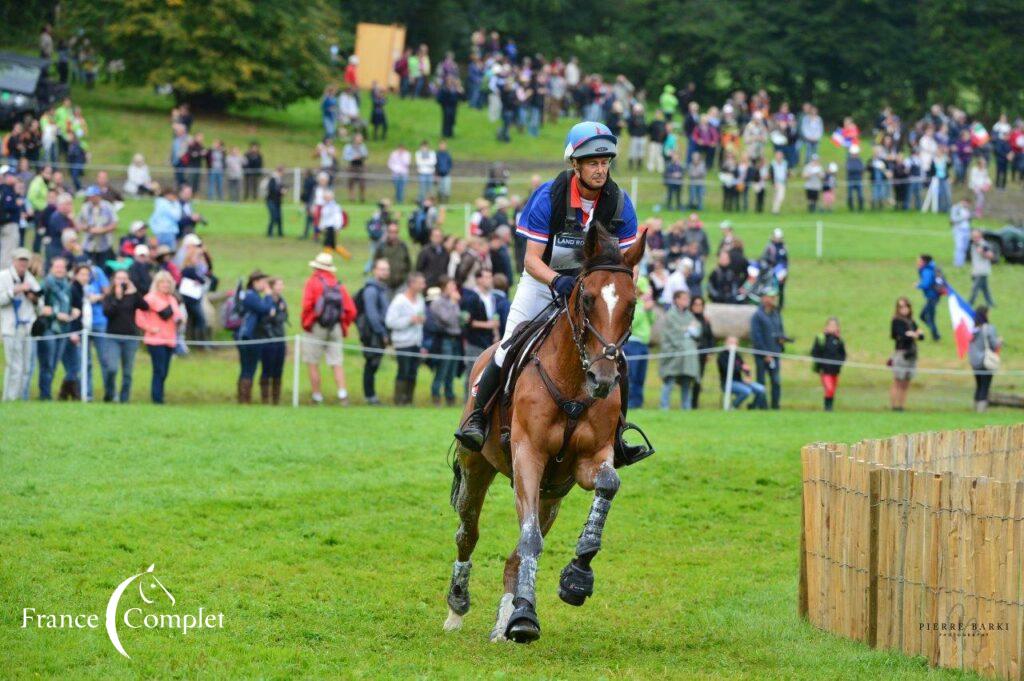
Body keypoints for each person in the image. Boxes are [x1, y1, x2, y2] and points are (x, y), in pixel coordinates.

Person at [455, 121, 650, 466]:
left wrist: (619, 290)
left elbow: (627, 263)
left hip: (592, 292)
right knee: (507, 346)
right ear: (575, 164)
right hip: (544, 282)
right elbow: (531, 260)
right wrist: (557, 282)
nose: (600, 169)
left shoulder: (620, 204)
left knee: (617, 359)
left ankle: (618, 437)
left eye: (605, 162)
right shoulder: (549, 197)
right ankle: (477, 418)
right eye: (592, 162)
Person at [301, 253, 356, 405]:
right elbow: (351, 310)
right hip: (336, 327)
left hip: (317, 326)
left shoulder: (312, 282)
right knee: (336, 362)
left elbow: (307, 305)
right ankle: (342, 395)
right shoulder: (338, 284)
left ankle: (317, 396)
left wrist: (307, 323)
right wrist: (343, 325)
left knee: (313, 362)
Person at [135, 270, 182, 404]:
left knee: (165, 371)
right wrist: (150, 328)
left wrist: (180, 319)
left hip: (170, 339)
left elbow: (177, 315)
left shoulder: (172, 299)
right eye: (163, 282)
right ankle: (157, 399)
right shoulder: (150, 298)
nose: (166, 285)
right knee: (159, 369)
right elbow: (139, 316)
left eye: (168, 282)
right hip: (155, 340)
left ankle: (160, 395)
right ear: (157, 284)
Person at [0, 248, 41, 400]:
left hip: (27, 326)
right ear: (14, 261)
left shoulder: (30, 278)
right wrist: (14, 291)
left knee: (26, 367)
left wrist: (34, 299)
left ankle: (21, 398)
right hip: (10, 327)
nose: (23, 263)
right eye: (20, 260)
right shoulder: (3, 277)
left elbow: (40, 301)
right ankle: (9, 398)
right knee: (14, 366)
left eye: (25, 261)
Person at [101, 269, 147, 403]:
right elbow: (108, 313)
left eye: (124, 278)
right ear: (114, 280)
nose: (121, 281)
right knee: (112, 369)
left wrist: (136, 293)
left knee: (127, 372)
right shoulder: (109, 296)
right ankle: (109, 394)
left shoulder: (133, 296)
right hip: (113, 337)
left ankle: (124, 399)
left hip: (130, 338)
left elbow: (145, 307)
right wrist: (118, 298)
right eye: (119, 278)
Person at [386, 271, 427, 405]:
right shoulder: (399, 300)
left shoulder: (420, 299)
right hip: (402, 342)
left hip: (416, 341)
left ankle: (409, 399)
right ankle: (399, 400)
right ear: (412, 284)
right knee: (403, 371)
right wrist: (409, 320)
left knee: (413, 372)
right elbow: (390, 321)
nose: (423, 285)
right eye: (420, 283)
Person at [234, 270, 275, 404]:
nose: (264, 285)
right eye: (263, 282)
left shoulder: (251, 295)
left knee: (247, 368)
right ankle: (245, 400)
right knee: (248, 368)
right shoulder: (251, 296)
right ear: (255, 282)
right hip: (249, 337)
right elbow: (265, 309)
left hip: (249, 336)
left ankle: (243, 398)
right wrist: (269, 296)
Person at [356, 258, 391, 404]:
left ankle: (371, 395)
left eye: (386, 269)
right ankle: (369, 396)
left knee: (374, 364)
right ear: (374, 270)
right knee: (371, 364)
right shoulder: (371, 290)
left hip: (377, 331)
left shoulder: (382, 288)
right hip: (372, 333)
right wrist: (382, 332)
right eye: (382, 269)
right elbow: (372, 314)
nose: (385, 272)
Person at [659, 289, 701, 409]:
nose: (686, 301)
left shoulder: (689, 315)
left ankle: (686, 408)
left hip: (688, 356)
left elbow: (697, 329)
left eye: (687, 299)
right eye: (684, 299)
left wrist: (687, 330)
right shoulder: (670, 315)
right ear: (676, 300)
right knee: (669, 381)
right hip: (674, 355)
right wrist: (687, 330)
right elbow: (673, 333)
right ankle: (664, 407)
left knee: (687, 382)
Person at [750, 288, 787, 409]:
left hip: (775, 354)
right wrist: (765, 354)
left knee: (776, 381)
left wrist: (782, 341)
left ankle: (775, 405)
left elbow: (780, 330)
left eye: (774, 297)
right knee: (761, 381)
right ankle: (762, 406)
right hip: (761, 356)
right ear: (763, 298)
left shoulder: (776, 314)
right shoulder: (757, 316)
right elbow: (756, 337)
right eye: (770, 297)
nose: (773, 299)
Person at [428, 276, 462, 406]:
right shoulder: (437, 303)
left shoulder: (454, 301)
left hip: (455, 340)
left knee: (452, 372)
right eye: (451, 286)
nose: (454, 288)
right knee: (442, 370)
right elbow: (447, 319)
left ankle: (450, 398)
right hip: (444, 340)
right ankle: (436, 397)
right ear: (444, 287)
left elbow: (459, 320)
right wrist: (454, 303)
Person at [622, 276, 655, 409]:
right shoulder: (632, 304)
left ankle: (638, 402)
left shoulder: (643, 304)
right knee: (632, 375)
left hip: (643, 344)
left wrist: (649, 310)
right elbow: (632, 324)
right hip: (632, 343)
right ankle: (629, 403)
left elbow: (651, 321)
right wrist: (644, 309)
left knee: (640, 376)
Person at [889, 296, 922, 411]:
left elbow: (920, 335)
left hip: (911, 354)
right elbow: (895, 335)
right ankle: (894, 406)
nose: (903, 309)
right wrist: (909, 334)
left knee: (906, 381)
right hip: (901, 353)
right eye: (900, 306)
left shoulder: (912, 321)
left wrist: (913, 334)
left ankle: (902, 406)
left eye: (905, 306)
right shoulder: (896, 321)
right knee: (898, 380)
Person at [259, 277, 288, 405]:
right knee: (267, 369)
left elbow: (282, 317)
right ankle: (265, 399)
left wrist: (276, 314)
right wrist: (276, 314)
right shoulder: (266, 300)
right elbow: (265, 319)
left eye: (282, 284)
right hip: (268, 339)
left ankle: (276, 400)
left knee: (278, 369)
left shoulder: (282, 301)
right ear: (271, 286)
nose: (281, 287)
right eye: (278, 284)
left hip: (280, 337)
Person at [717, 336, 767, 409]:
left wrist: (748, 376)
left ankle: (752, 407)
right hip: (728, 383)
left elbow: (746, 368)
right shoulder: (722, 356)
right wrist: (740, 367)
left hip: (740, 381)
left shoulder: (737, 356)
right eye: (730, 342)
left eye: (735, 343)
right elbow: (728, 370)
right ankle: (733, 407)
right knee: (747, 391)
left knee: (761, 389)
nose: (732, 345)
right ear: (725, 343)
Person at [968, 306, 1001, 413]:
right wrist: (1000, 341)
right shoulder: (989, 328)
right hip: (986, 361)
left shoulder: (972, 329)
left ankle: (976, 406)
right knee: (985, 386)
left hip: (974, 361)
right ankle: (981, 410)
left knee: (978, 384)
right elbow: (994, 344)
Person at [810, 317, 846, 411]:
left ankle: (830, 407)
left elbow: (843, 354)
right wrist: (820, 364)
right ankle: (827, 408)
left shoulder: (839, 340)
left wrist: (839, 364)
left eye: (834, 325)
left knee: (832, 390)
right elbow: (815, 352)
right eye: (830, 325)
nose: (832, 327)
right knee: (829, 388)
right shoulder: (821, 338)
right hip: (825, 370)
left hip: (835, 370)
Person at [374, 222, 411, 289]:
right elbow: (375, 263)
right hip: (385, 285)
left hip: (401, 285)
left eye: (395, 232)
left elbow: (408, 265)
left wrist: (406, 278)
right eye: (391, 232)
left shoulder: (403, 246)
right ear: (387, 232)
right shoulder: (381, 246)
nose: (393, 234)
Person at [915, 254, 942, 341]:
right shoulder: (929, 269)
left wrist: (918, 285)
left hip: (932, 297)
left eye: (919, 261)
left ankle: (936, 336)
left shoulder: (926, 270)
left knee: (929, 317)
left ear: (924, 262)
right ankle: (935, 333)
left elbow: (926, 284)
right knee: (923, 316)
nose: (917, 262)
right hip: (932, 296)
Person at [968, 229, 996, 308]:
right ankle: (991, 303)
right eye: (973, 237)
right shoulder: (974, 245)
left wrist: (983, 252)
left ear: (980, 237)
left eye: (976, 237)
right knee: (985, 289)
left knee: (975, 288)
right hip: (976, 270)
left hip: (982, 271)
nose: (974, 239)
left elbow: (991, 256)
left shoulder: (983, 245)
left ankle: (969, 303)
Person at [342, 133, 368, 203]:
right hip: (352, 165)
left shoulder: (363, 146)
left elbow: (366, 155)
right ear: (354, 139)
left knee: (362, 182)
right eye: (359, 138)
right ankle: (351, 197)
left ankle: (362, 197)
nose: (360, 140)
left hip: (360, 165)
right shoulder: (348, 147)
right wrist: (353, 157)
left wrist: (361, 155)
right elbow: (345, 156)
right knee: (351, 182)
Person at [949, 200, 972, 268]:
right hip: (959, 230)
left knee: (965, 247)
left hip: (966, 230)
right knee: (959, 247)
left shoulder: (967, 209)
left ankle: (962, 262)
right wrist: (963, 218)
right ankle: (957, 263)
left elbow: (968, 220)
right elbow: (953, 219)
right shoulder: (956, 208)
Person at [265, 166, 285, 237]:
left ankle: (280, 233)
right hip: (271, 201)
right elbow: (272, 190)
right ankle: (269, 232)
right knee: (273, 217)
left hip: (277, 201)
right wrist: (281, 191)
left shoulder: (279, 179)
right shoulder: (272, 179)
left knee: (279, 217)